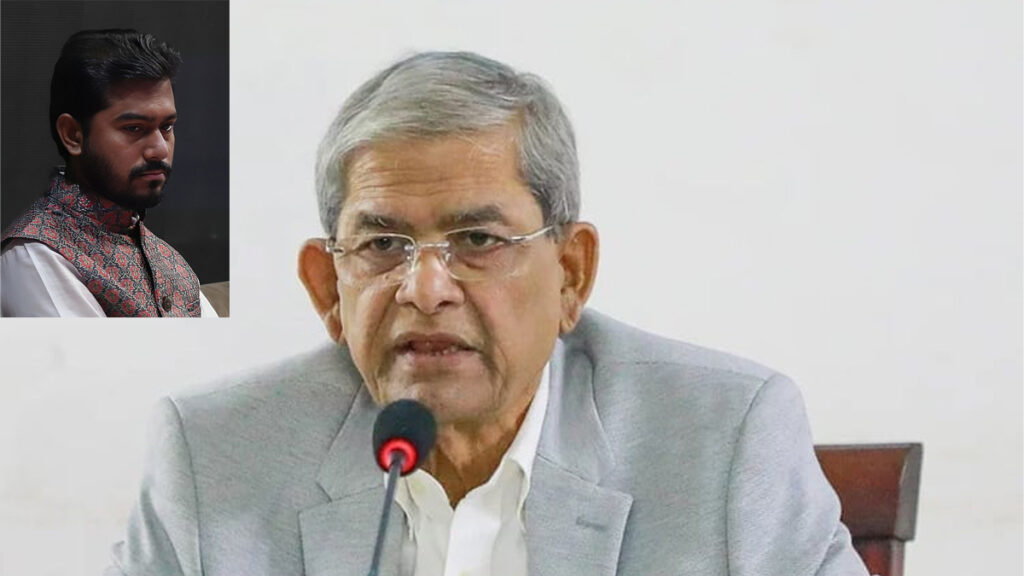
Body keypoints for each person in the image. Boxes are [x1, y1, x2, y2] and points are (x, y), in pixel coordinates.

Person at [107, 52, 869, 575]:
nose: (425, 288)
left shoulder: (726, 441)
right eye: (383, 243)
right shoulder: (212, 458)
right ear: (328, 289)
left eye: (478, 240)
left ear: (571, 273)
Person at [0, 29, 215, 317]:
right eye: (134, 128)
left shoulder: (168, 260)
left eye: (166, 127)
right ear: (73, 135)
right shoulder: (36, 258)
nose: (160, 149)